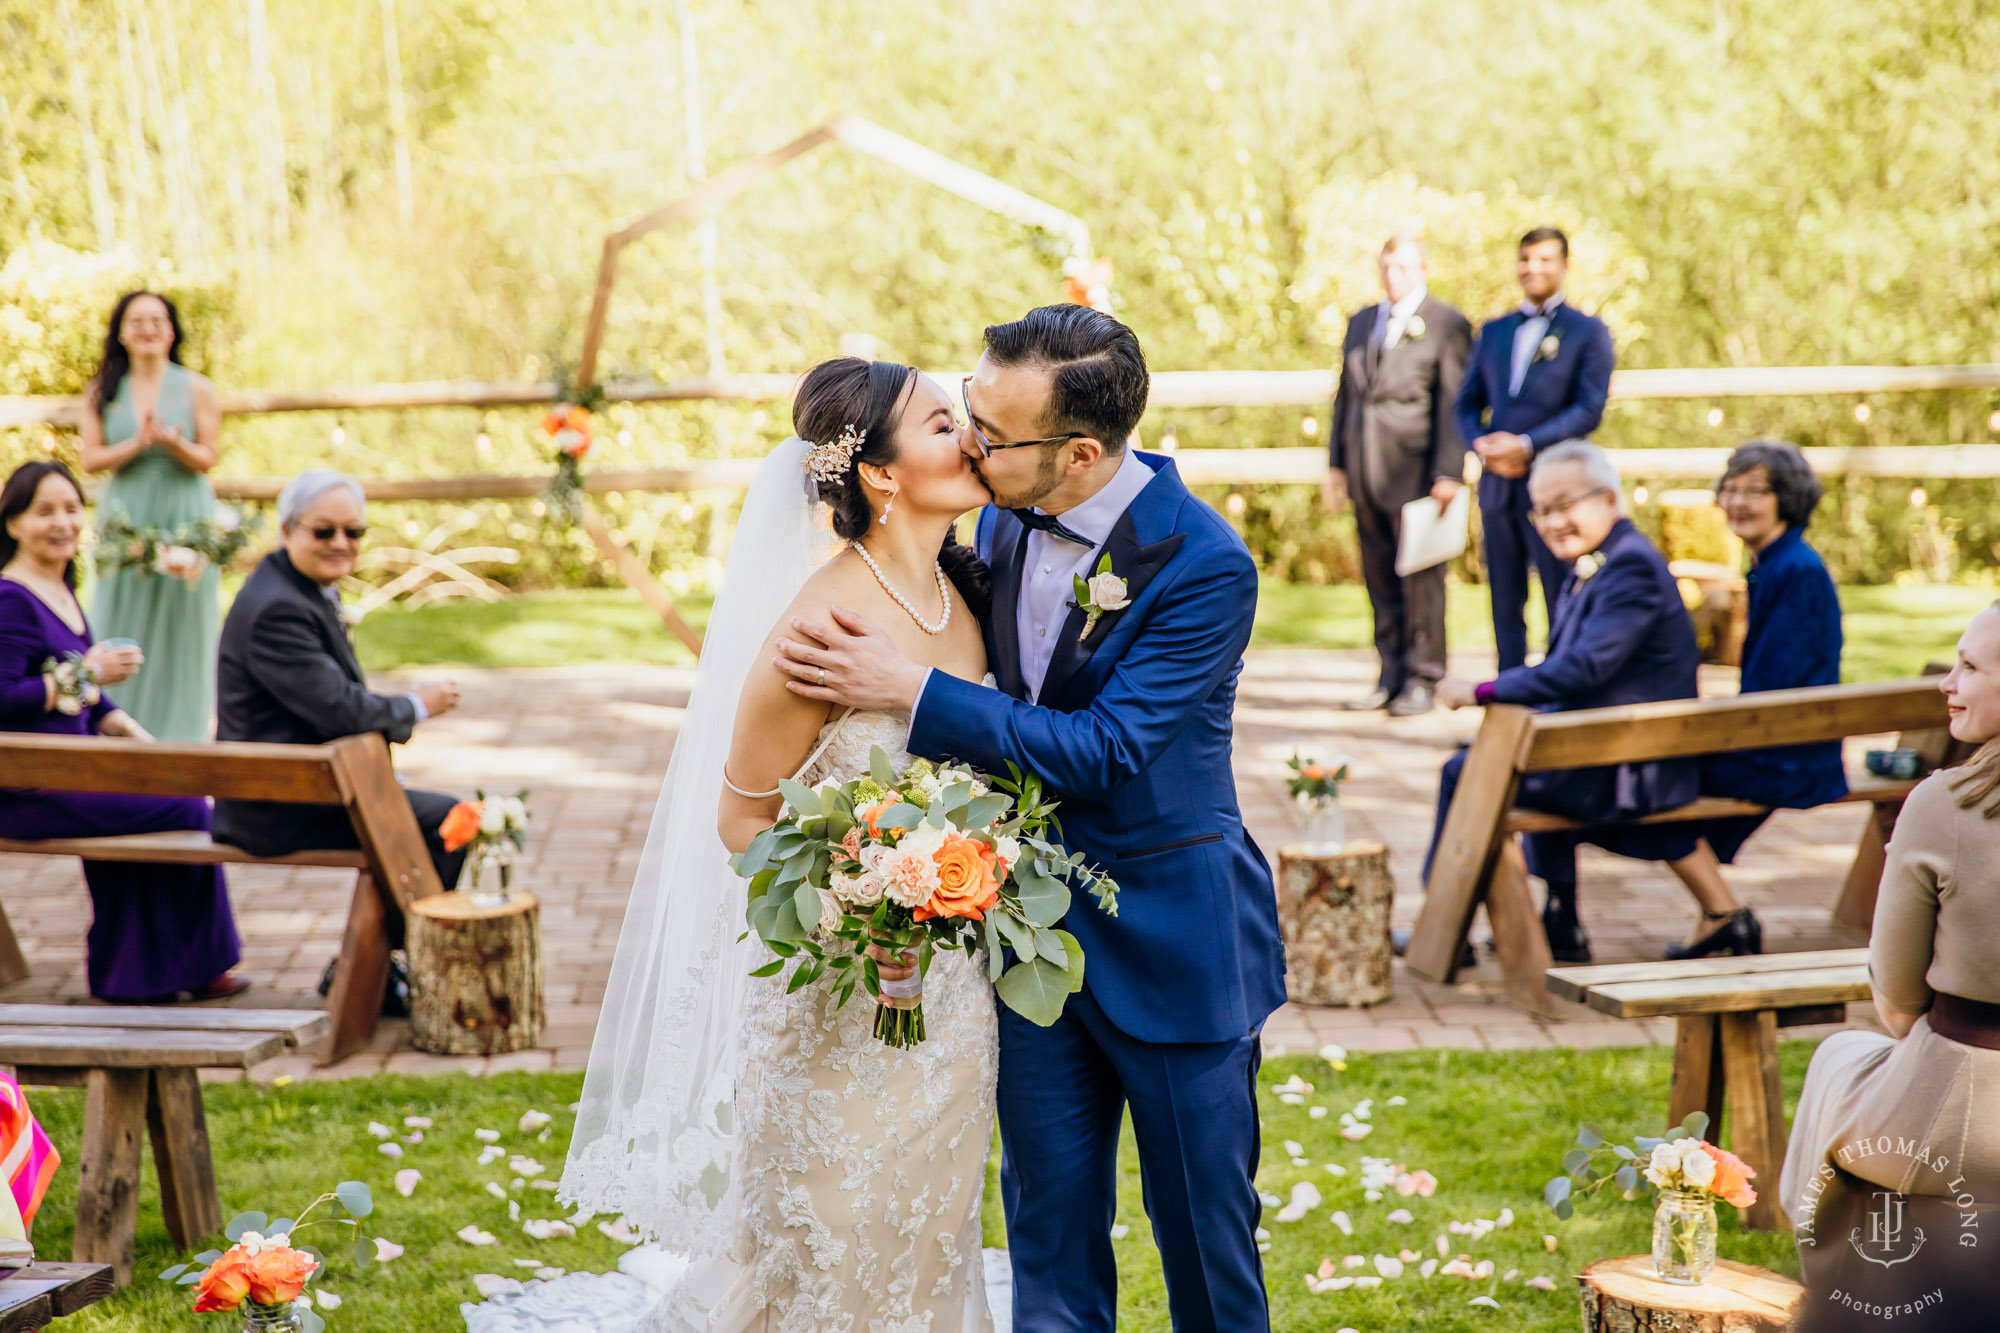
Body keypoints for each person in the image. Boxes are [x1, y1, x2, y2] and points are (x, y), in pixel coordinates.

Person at [764, 307, 1285, 1332]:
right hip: (1019, 940)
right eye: (965, 414)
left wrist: (908, 690)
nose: (970, 444)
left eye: (991, 436)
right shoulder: (1000, 510)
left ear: (1079, 452)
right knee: (1046, 1242)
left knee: (1205, 1245)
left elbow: (1105, 749)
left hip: (1176, 944)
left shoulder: (1204, 565)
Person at [557, 360, 1001, 1330]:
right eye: (939, 424)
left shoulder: (961, 595)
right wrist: (867, 904)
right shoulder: (815, 626)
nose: (968, 436)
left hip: (949, 999)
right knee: (829, 1239)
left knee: (929, 1226)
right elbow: (741, 815)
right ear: (879, 475)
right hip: (835, 997)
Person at [1430, 441, 1753, 963]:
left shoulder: (1631, 569)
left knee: (1468, 772)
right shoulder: (1607, 561)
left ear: (1608, 499)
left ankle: (1447, 919)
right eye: (1541, 511)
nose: (1552, 521)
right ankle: (1562, 920)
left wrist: (1484, 691)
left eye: (1564, 505)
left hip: (1630, 767)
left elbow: (1584, 668)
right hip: (1612, 750)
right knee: (1522, 756)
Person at [1778, 601, 2000, 1248]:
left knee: (1839, 1056)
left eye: (1968, 666)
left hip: (1967, 1118)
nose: (1946, 682)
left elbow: (1898, 999)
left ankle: (1824, 1273)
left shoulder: (1946, 803)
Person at [0, 461, 244, 1002]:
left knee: (170, 797)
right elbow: (6, 695)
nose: (62, 522)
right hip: (29, 787)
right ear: (13, 523)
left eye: (71, 508)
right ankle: (171, 969)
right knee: (186, 812)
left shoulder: (58, 588)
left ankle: (149, 973)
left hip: (75, 769)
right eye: (44, 512)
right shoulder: (10, 599)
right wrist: (87, 673)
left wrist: (140, 740)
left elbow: (88, 695)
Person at [211, 470, 467, 897]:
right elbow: (341, 710)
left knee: (430, 820)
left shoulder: (296, 585)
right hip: (278, 807)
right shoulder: (278, 609)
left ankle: (393, 957)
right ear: (286, 530)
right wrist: (417, 704)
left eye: (354, 531)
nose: (341, 543)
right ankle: (408, 953)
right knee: (449, 821)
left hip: (306, 786)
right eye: (324, 531)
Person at [1689, 440, 1845, 956]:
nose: (1738, 501)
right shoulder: (1774, 563)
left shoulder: (1794, 569)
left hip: (1793, 754)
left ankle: (1723, 916)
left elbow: (1781, 681)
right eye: (1731, 489)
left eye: (1755, 491)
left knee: (1650, 786)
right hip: (1783, 739)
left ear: (1788, 498)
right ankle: (1716, 916)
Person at [1453, 227, 1616, 672]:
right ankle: (1507, 696)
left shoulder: (1588, 332)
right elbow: (1465, 403)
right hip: (1498, 488)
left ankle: (1558, 697)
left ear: (1564, 266)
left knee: (1560, 594)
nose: (1533, 268)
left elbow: (1589, 409)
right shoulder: (1494, 331)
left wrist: (1526, 446)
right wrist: (1483, 446)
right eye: (1526, 259)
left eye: (1544, 260)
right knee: (1504, 601)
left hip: (1558, 491)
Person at [1324, 235, 1473, 716]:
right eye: (1386, 266)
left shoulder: (1447, 324)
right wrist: (1337, 465)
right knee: (1379, 579)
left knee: (1422, 582)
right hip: (1366, 471)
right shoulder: (1362, 321)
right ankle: (1388, 674)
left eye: (1403, 267)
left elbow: (1454, 402)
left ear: (1423, 268)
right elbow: (1346, 398)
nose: (1393, 276)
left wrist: (1449, 471)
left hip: (1418, 475)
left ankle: (1424, 677)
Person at [77, 291, 223, 742]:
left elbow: (208, 456)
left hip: (185, 512)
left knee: (184, 624)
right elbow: (90, 459)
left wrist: (174, 445)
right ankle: (118, 727)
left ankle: (183, 735)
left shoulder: (197, 387)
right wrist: (138, 444)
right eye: (136, 320)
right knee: (120, 612)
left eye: (157, 320)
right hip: (126, 514)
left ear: (171, 330)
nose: (147, 328)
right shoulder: (103, 391)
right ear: (121, 332)